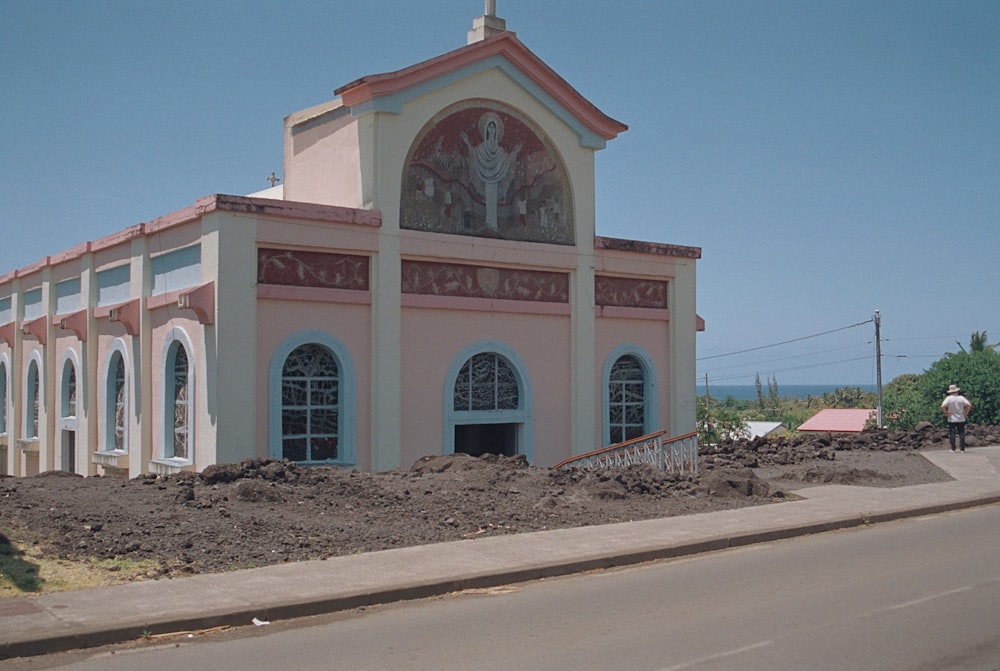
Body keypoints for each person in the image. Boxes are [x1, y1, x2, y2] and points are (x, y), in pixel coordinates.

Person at [941, 384, 973, 452]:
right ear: (957, 391)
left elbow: (942, 406)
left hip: (951, 418)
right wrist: (966, 413)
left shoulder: (948, 398)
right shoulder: (961, 398)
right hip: (961, 417)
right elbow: (969, 405)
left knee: (952, 433)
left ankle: (953, 448)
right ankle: (962, 449)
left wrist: (946, 413)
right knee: (961, 433)